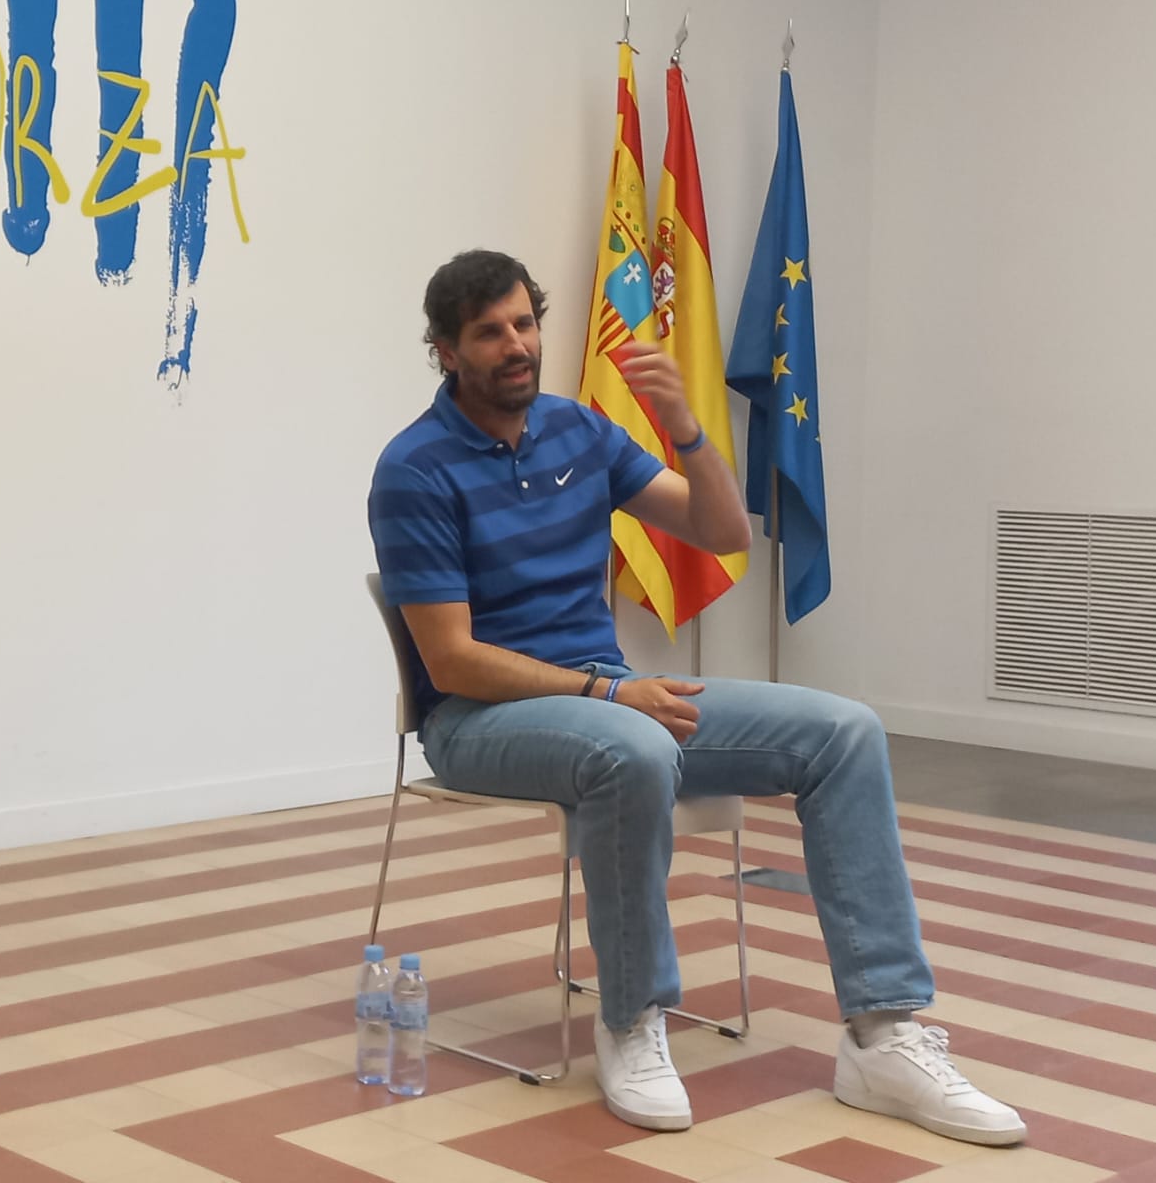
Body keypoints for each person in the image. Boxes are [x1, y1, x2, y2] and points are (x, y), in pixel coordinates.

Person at [366, 249, 1024, 1146]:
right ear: (446, 351)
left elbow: (718, 530)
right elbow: (452, 663)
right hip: (482, 722)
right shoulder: (414, 469)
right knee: (629, 748)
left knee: (845, 732)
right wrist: (609, 689)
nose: (516, 345)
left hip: (613, 697)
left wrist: (683, 429)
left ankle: (882, 1034)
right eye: (489, 333)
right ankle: (631, 1018)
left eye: (525, 323)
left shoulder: (581, 432)